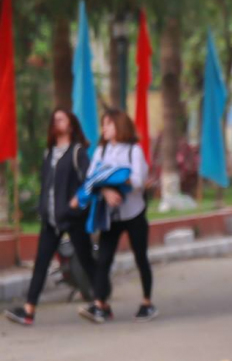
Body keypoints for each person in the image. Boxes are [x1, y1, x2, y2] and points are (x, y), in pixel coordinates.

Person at [6, 110, 98, 326]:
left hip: (73, 218)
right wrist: (42, 208)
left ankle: (101, 303)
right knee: (41, 262)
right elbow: (46, 184)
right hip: (50, 219)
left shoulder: (77, 152)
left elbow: (89, 182)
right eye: (54, 119)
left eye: (61, 119)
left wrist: (75, 204)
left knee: (86, 260)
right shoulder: (49, 153)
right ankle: (29, 311)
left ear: (71, 126)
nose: (56, 122)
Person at [79, 109, 157, 323]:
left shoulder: (134, 151)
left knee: (141, 257)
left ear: (120, 126)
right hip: (110, 215)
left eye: (109, 124)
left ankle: (147, 302)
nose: (104, 128)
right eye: (103, 124)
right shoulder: (101, 151)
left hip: (134, 213)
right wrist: (106, 190)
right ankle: (100, 305)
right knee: (104, 259)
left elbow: (138, 181)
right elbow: (91, 179)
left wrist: (113, 178)